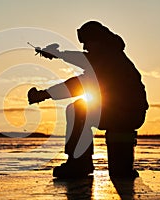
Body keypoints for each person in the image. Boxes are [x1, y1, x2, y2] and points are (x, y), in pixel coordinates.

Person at [27, 21, 148, 179]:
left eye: (87, 43)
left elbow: (78, 81)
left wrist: (44, 94)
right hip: (129, 114)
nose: (85, 48)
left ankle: (78, 164)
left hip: (123, 114)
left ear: (98, 41)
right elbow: (84, 63)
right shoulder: (113, 56)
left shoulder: (109, 59)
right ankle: (96, 164)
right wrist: (60, 55)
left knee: (77, 109)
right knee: (81, 108)